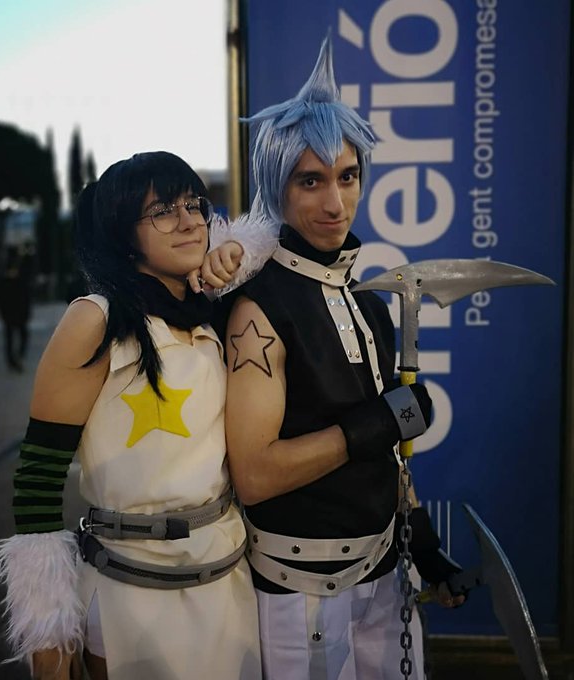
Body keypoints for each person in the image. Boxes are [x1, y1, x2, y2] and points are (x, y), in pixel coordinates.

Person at [223, 36, 464, 680]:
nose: (335, 203)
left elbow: (388, 453)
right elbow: (255, 475)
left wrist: (422, 539)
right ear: (277, 187)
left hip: (386, 575)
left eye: (347, 177)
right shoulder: (257, 310)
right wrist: (376, 423)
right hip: (298, 592)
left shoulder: (369, 303)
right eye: (311, 181)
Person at [0, 151, 265, 680]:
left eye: (194, 205)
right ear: (123, 230)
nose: (189, 221)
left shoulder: (211, 313)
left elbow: (282, 244)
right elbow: (38, 480)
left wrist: (237, 249)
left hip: (227, 585)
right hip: (129, 595)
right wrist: (48, 629)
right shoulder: (95, 318)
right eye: (162, 210)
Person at [0, 245, 33, 373]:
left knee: (17, 336)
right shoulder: (10, 283)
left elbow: (25, 298)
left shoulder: (17, 282)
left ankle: (16, 358)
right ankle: (14, 359)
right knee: (13, 337)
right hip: (12, 313)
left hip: (16, 313)